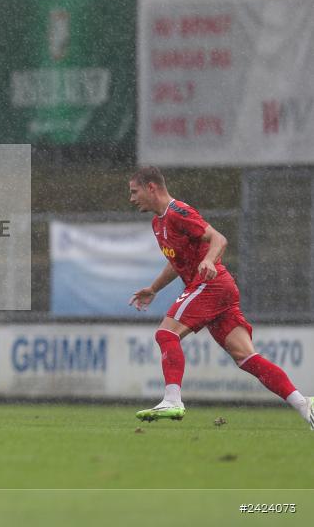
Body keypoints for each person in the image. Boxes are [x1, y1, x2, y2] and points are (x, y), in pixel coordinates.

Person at [128, 166, 313, 428]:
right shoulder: (158, 222)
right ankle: (303, 403)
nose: (131, 198)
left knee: (166, 334)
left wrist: (209, 260)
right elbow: (176, 261)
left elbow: (219, 238)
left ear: (151, 187)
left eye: (134, 191)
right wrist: (154, 288)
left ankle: (173, 400)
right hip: (218, 289)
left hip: (210, 284)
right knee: (246, 357)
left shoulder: (178, 212)